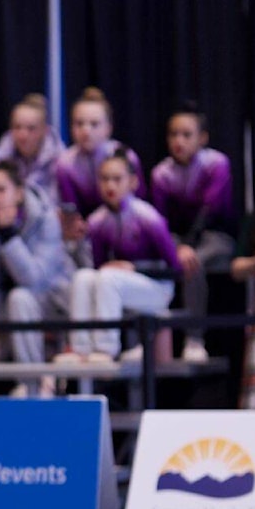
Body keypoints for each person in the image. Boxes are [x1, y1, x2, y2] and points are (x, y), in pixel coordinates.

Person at [0, 160, 74, 398]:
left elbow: (35, 280)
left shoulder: (45, 217)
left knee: (20, 297)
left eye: (1, 190)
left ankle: (30, 383)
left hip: (49, 300)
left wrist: (10, 237)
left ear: (19, 194)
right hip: (4, 300)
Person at [64, 148, 183, 362]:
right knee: (83, 277)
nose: (110, 185)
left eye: (117, 179)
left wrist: (134, 269)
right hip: (119, 286)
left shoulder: (148, 218)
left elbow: (175, 270)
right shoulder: (97, 221)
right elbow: (98, 267)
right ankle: (80, 348)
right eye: (105, 179)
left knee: (109, 278)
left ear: (133, 182)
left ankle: (105, 348)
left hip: (157, 288)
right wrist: (77, 244)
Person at [150, 103, 235, 361]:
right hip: (177, 239)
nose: (179, 141)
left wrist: (185, 249)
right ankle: (152, 342)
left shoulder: (217, 164)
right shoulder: (161, 174)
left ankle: (194, 339)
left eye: (186, 135)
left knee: (192, 261)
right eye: (173, 134)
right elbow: (160, 222)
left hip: (217, 237)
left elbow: (210, 212)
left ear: (203, 138)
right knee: (176, 258)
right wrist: (176, 246)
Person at [55, 87, 146, 247]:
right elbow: (71, 210)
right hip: (85, 234)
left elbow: (139, 201)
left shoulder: (125, 156)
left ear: (108, 128)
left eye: (94, 124)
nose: (86, 130)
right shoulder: (65, 164)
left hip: (127, 229)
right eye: (79, 123)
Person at [0, 93, 65, 204]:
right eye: (17, 127)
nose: (23, 136)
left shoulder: (61, 161)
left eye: (31, 128)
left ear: (45, 130)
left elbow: (57, 205)